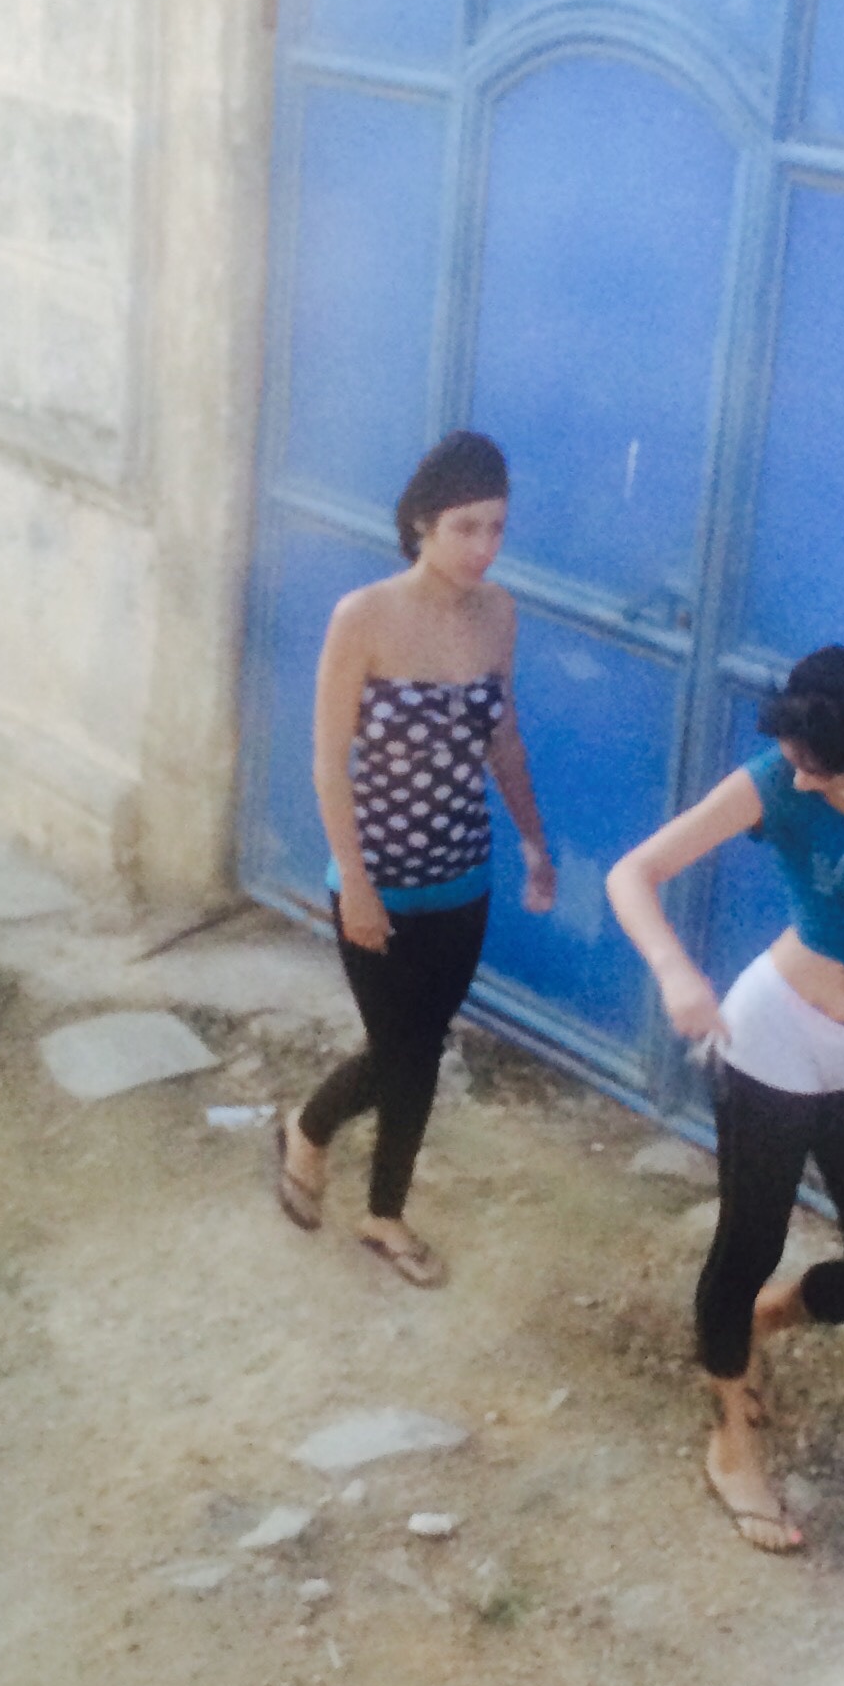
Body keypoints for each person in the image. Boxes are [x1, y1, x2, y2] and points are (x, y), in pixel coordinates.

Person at [606, 626, 844, 1551]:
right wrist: (675, 970)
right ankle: (731, 1444)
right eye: (790, 762)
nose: (794, 780)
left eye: (813, 767)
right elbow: (633, 873)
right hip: (773, 1036)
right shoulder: (772, 782)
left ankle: (762, 1322)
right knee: (747, 1241)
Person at [276, 430, 556, 1285]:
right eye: (466, 527)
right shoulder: (362, 618)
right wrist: (357, 886)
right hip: (379, 883)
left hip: (463, 878)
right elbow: (328, 763)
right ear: (422, 525)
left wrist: (534, 842)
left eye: (496, 527)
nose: (483, 547)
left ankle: (355, 1184)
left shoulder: (498, 613)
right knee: (401, 1052)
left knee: (420, 1048)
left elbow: (503, 739)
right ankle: (333, 1159)